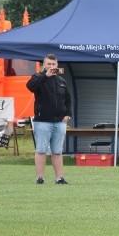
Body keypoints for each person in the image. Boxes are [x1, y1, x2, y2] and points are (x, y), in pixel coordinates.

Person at [26, 54, 72, 184]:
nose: (51, 67)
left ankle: (59, 178)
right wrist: (44, 76)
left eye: (53, 64)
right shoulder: (37, 77)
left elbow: (68, 99)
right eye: (49, 64)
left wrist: (68, 114)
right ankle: (40, 178)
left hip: (59, 122)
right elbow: (30, 86)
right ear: (44, 65)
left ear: (57, 65)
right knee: (41, 150)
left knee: (57, 151)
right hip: (42, 121)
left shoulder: (61, 81)